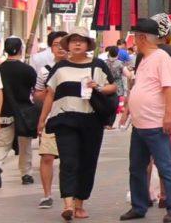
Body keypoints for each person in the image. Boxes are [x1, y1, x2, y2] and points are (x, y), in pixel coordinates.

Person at [37, 27, 116, 221]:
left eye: (82, 40)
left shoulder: (98, 65)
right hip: (65, 120)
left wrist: (97, 86)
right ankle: (68, 204)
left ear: (88, 44)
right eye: (73, 41)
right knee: (69, 161)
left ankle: (80, 203)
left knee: (88, 162)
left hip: (91, 121)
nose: (77, 43)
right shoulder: (60, 67)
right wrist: (42, 120)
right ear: (68, 45)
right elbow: (50, 94)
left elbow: (112, 86)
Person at [120, 18, 171, 223]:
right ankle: (139, 206)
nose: (133, 42)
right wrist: (128, 109)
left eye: (134, 37)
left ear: (142, 37)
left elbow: (168, 87)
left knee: (165, 166)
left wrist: (167, 115)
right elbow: (139, 86)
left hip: (155, 123)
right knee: (136, 167)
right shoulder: (143, 59)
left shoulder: (161, 57)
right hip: (140, 124)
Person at [33, 31, 68, 208]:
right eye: (56, 44)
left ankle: (69, 196)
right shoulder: (44, 70)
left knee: (69, 159)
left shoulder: (77, 67)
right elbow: (37, 94)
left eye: (63, 43)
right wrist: (51, 91)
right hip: (51, 119)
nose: (60, 47)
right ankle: (47, 195)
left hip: (72, 118)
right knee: (47, 156)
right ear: (51, 48)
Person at [0, 37, 37, 187]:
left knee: (2, 144)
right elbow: (36, 90)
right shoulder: (27, 70)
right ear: (21, 49)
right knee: (25, 144)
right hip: (24, 112)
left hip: (4, 111)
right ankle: (26, 174)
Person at [105, 46, 132, 129]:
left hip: (105, 85)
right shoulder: (119, 63)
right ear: (117, 54)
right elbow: (128, 75)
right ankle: (109, 124)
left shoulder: (104, 63)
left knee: (105, 104)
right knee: (114, 106)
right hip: (117, 86)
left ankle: (104, 123)